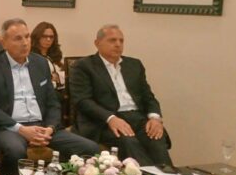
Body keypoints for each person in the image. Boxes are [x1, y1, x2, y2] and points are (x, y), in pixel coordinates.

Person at [0, 18, 99, 175]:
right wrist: (21, 129)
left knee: (89, 148)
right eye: (18, 38)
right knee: (15, 151)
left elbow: (53, 103)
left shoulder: (40, 63)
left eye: (27, 37)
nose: (25, 43)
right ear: (4, 42)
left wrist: (50, 129)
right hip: (9, 126)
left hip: (42, 126)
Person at [69, 25, 172, 167]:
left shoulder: (134, 65)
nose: (118, 44)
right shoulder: (84, 66)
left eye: (121, 41)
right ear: (97, 43)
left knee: (155, 138)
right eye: (112, 40)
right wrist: (110, 118)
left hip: (137, 117)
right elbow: (82, 101)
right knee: (128, 142)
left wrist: (155, 118)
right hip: (105, 121)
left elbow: (148, 96)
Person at [31, 21, 65, 89]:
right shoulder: (30, 56)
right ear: (37, 37)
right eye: (44, 36)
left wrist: (57, 76)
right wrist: (53, 77)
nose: (48, 39)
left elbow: (67, 75)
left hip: (60, 91)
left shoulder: (58, 55)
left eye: (51, 37)